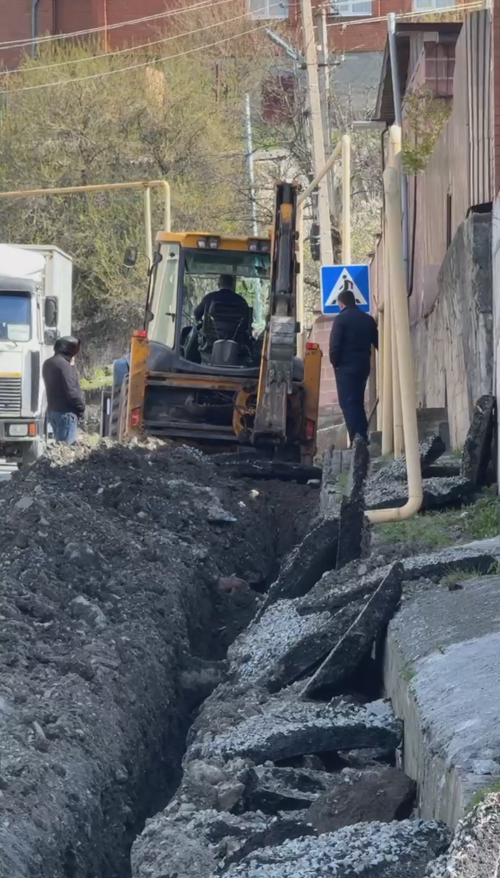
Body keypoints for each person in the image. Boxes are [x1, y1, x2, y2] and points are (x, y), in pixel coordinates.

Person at [329, 288, 378, 444]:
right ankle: (362, 437)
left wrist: (335, 364)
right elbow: (377, 342)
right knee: (357, 402)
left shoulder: (340, 320)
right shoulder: (368, 319)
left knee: (348, 403)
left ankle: (357, 440)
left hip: (345, 369)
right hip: (363, 367)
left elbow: (334, 347)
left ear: (341, 303)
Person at [42, 336, 85, 445]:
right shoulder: (64, 366)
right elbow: (72, 391)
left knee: (60, 447)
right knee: (66, 449)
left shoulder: (48, 363)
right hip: (66, 414)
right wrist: (81, 408)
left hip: (53, 411)